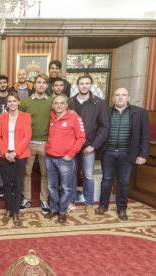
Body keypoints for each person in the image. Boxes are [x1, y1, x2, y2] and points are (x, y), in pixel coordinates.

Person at [95, 88, 150, 221]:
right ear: (113, 97)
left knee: (124, 182)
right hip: (108, 152)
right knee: (107, 180)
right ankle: (103, 205)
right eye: (117, 95)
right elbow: (99, 130)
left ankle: (122, 209)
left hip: (127, 153)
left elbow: (145, 135)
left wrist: (143, 154)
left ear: (128, 97)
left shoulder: (140, 112)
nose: (120, 97)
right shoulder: (105, 112)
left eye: (123, 95)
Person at [68, 75, 109, 217]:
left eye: (87, 83)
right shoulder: (70, 102)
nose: (84, 86)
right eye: (81, 83)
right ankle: (70, 202)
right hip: (71, 146)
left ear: (91, 85)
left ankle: (89, 203)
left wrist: (94, 146)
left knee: (88, 176)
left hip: (88, 146)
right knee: (71, 175)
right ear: (77, 85)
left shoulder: (99, 103)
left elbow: (104, 127)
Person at [45, 95, 86, 223]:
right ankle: (55, 208)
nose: (59, 105)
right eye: (56, 103)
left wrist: (70, 154)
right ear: (53, 105)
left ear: (66, 105)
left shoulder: (75, 118)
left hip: (65, 159)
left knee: (66, 187)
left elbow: (81, 138)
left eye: (62, 103)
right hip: (50, 158)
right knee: (52, 186)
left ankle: (63, 211)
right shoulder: (51, 116)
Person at [0, 93, 32, 226]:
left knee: (17, 183)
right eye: (9, 101)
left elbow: (27, 137)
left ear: (19, 102)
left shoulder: (26, 116)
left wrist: (15, 153)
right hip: (5, 154)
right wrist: (5, 153)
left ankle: (16, 212)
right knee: (6, 183)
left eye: (14, 101)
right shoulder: (1, 117)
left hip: (20, 155)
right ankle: (8, 210)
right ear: (7, 103)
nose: (11, 103)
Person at [19, 73, 53, 214]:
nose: (41, 85)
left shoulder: (52, 101)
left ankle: (44, 200)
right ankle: (26, 198)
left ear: (46, 85)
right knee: (26, 172)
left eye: (43, 82)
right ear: (34, 85)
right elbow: (20, 123)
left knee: (46, 173)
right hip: (29, 143)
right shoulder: (25, 103)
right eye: (38, 82)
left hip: (46, 143)